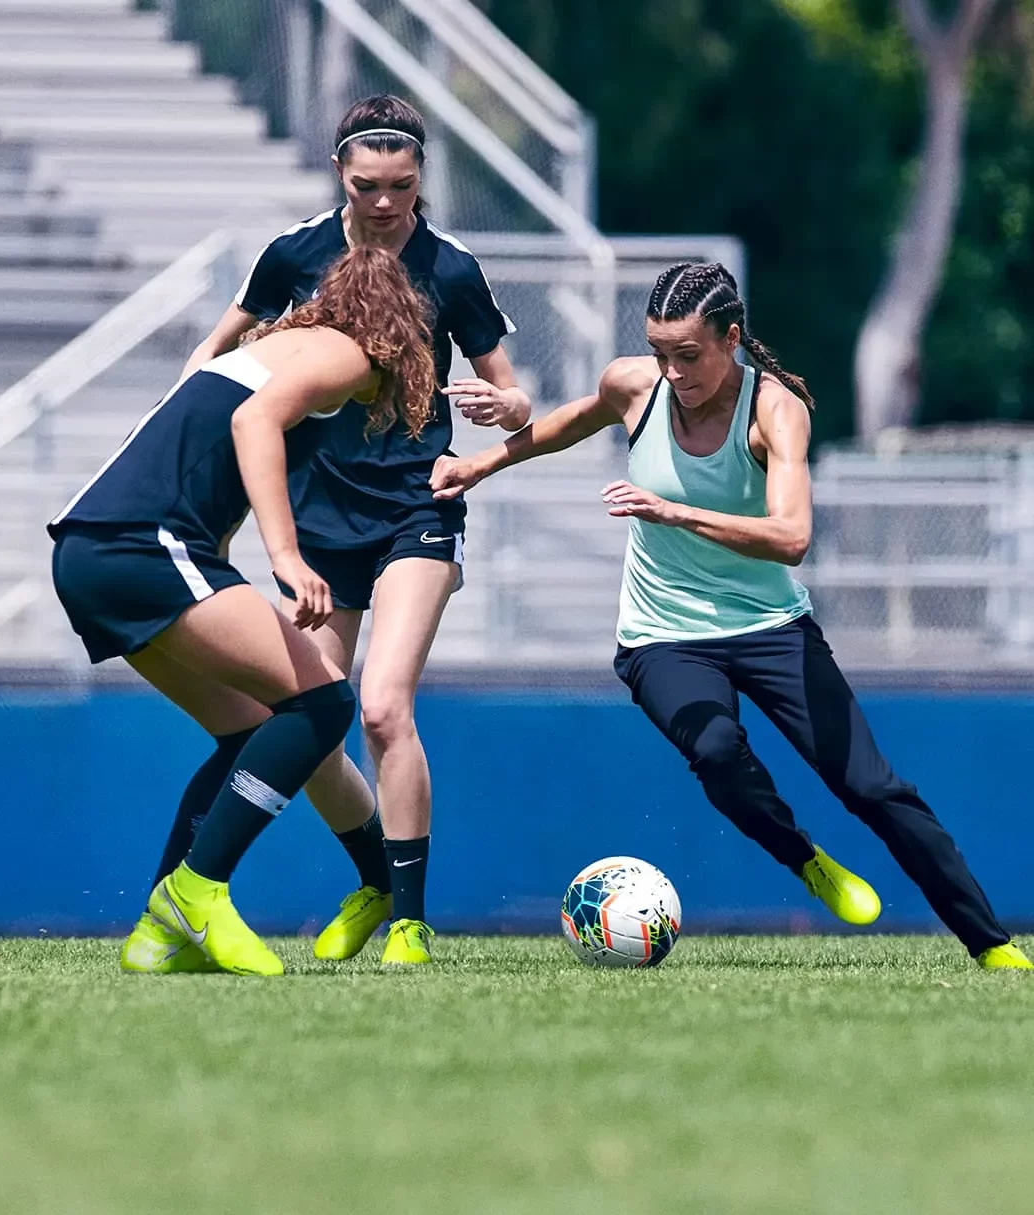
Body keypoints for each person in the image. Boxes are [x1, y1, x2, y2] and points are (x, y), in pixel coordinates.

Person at [431, 260, 1030, 970]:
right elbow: (569, 423)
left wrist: (672, 510)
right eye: (660, 353)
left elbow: (792, 537)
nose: (672, 371)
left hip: (770, 629)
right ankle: (805, 860)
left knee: (871, 786)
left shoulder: (774, 410)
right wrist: (481, 464)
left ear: (731, 339)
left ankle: (991, 946)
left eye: (687, 355)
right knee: (716, 750)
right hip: (662, 637)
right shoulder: (634, 384)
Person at [172, 94, 531, 966]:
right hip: (318, 517)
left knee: (379, 706)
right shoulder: (293, 254)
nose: (383, 203)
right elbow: (212, 354)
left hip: (418, 504)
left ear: (421, 181)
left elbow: (516, 400)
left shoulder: (449, 269)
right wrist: (186, 434)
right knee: (312, 718)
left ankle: (409, 918)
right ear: (340, 171)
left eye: (401, 186)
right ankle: (373, 879)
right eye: (367, 184)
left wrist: (505, 406)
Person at [48, 246, 437, 976]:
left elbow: (210, 475)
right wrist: (287, 561)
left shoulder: (265, 350)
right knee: (323, 702)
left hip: (88, 552)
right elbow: (254, 424)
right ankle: (196, 892)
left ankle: (158, 932)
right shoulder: (348, 353)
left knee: (252, 728)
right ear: (396, 328)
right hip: (141, 545)